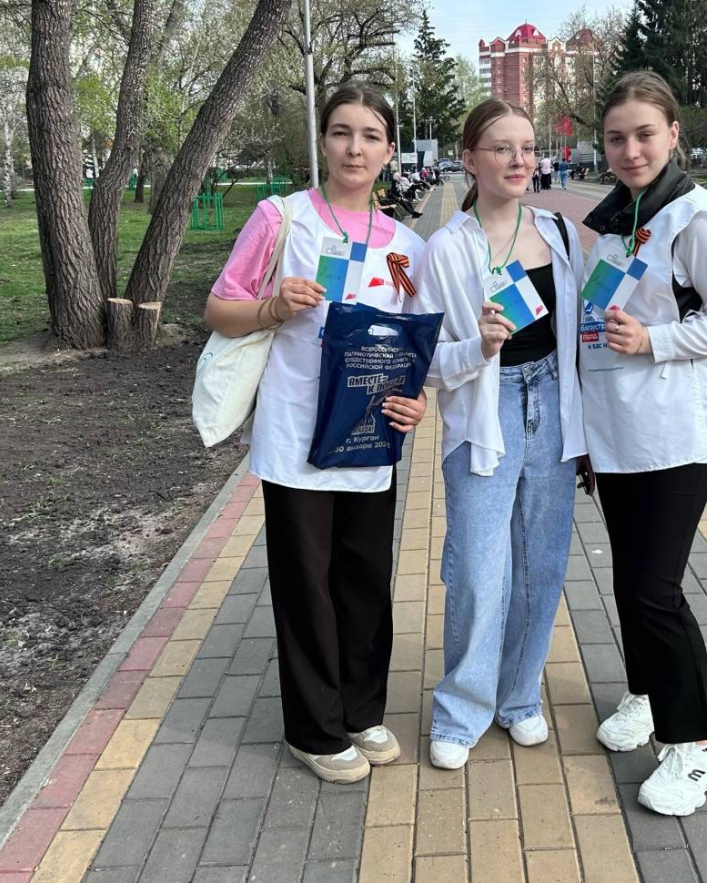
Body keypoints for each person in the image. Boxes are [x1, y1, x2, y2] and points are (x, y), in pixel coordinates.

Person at [203, 84, 428, 784]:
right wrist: (272, 307)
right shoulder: (282, 218)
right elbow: (219, 309)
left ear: (389, 151)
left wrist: (417, 399)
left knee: (364, 580)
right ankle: (314, 729)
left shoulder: (406, 247)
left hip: (367, 435)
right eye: (341, 132)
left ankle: (361, 711)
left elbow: (412, 343)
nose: (354, 148)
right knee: (306, 583)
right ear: (323, 141)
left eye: (370, 135)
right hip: (295, 432)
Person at [578, 70, 707, 817]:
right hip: (618, 433)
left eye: (644, 134)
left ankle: (698, 747)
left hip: (675, 437)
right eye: (616, 137)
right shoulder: (619, 218)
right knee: (630, 583)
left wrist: (656, 340)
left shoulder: (698, 219)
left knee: (655, 591)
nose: (630, 149)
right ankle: (648, 696)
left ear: (673, 134)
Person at [415, 99, 587, 770]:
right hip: (485, 417)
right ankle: (460, 712)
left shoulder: (559, 233)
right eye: (500, 148)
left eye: (527, 147)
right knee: (478, 570)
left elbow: (580, 334)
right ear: (469, 160)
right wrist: (478, 348)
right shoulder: (447, 249)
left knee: (540, 566)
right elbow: (424, 362)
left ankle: (518, 697)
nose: (519, 160)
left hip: (553, 405)